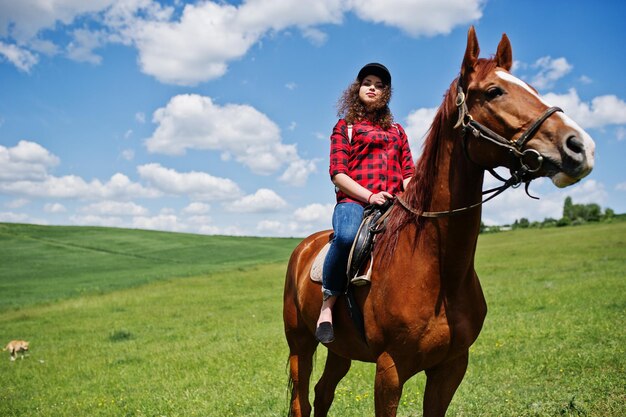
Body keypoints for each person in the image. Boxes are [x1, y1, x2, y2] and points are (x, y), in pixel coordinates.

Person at [315, 63, 415, 343]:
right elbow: (337, 173)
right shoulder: (345, 127)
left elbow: (409, 173)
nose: (373, 87)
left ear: (386, 94)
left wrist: (413, 194)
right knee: (346, 237)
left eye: (380, 85)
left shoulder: (397, 131)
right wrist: (369, 195)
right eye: (367, 82)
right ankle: (328, 304)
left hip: (395, 203)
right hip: (354, 202)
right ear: (357, 89)